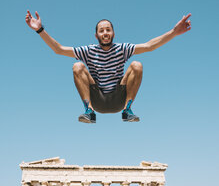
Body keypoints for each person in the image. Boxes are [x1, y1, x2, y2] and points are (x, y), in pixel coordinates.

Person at [25, 11, 191, 123]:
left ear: (113, 33)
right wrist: (40, 30)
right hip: (97, 99)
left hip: (118, 98)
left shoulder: (122, 49)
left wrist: (174, 32)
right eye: (101, 30)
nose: (105, 33)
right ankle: (88, 111)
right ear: (96, 35)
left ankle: (128, 110)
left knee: (136, 65)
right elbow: (58, 49)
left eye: (108, 30)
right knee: (77, 66)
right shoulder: (88, 51)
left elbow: (149, 46)